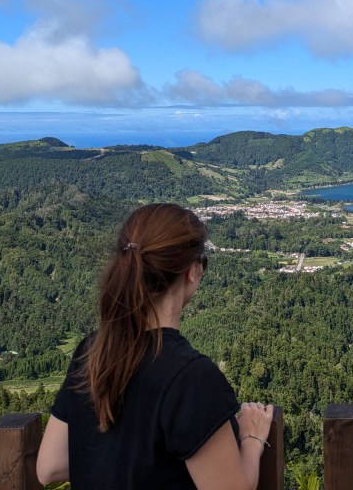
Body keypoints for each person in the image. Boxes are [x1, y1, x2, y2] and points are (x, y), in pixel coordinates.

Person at [36, 203, 275, 489]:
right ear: (192, 271)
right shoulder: (191, 377)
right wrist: (252, 438)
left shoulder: (93, 350)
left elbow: (49, 467)